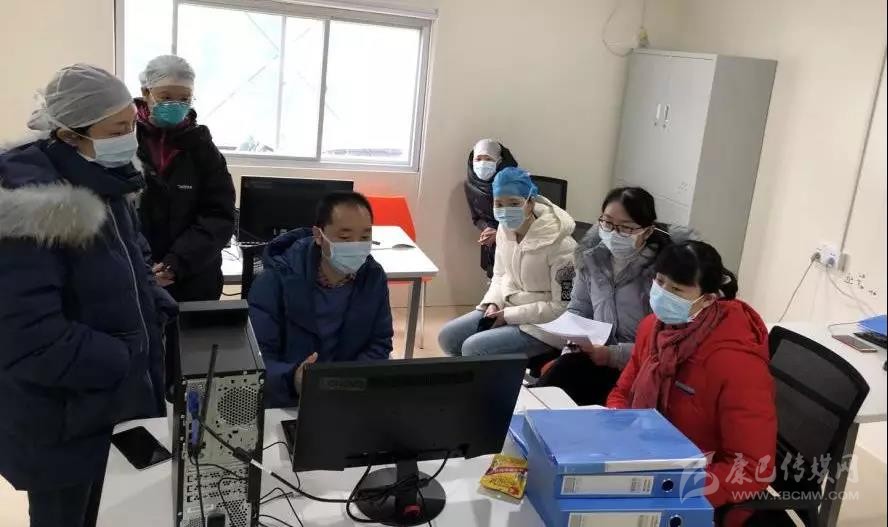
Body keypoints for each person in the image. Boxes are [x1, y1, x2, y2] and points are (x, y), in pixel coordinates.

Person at [0, 64, 175, 527]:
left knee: (112, 509)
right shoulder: (27, 205)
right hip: (61, 419)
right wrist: (123, 357)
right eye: (117, 130)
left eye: (132, 125)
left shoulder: (104, 175)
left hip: (104, 406)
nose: (130, 139)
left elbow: (132, 254)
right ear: (69, 134)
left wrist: (155, 305)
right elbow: (28, 337)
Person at [607, 241, 776, 527]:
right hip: (646, 462)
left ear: (707, 299)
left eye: (676, 290)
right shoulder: (653, 328)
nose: (662, 294)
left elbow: (751, 467)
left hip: (697, 491)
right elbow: (623, 391)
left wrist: (669, 489)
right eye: (660, 282)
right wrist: (616, 427)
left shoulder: (735, 363)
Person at [535, 187, 696, 405]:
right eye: (608, 223)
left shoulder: (662, 275)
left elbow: (664, 342)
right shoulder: (591, 259)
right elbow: (579, 308)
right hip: (595, 355)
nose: (614, 233)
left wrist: (613, 355)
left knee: (568, 382)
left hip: (638, 366)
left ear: (647, 231)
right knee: (561, 374)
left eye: (626, 228)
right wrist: (574, 341)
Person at [248, 191, 393, 408]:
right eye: (345, 238)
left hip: (349, 400)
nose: (356, 246)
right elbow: (257, 355)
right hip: (288, 401)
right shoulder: (276, 279)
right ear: (318, 235)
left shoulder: (373, 277)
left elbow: (380, 343)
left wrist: (350, 383)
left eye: (364, 238)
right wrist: (293, 378)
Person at [439, 167, 576, 358]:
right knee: (448, 337)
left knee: (473, 348)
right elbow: (500, 275)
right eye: (499, 204)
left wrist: (508, 316)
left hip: (545, 326)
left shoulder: (563, 246)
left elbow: (562, 307)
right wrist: (493, 303)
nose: (505, 211)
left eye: (514, 203)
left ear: (530, 202)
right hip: (507, 308)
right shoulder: (504, 230)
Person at [135, 55, 236, 302]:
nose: (175, 105)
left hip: (192, 277)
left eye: (184, 98)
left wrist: (176, 262)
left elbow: (219, 215)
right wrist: (142, 265)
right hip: (134, 275)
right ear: (146, 92)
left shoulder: (203, 149)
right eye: (166, 97)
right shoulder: (122, 141)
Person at [464, 138, 518, 277]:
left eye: (488, 159)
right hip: (492, 245)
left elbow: (522, 219)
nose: (482, 163)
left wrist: (499, 234)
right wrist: (487, 229)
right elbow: (476, 218)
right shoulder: (470, 185)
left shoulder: (514, 183)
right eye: (478, 159)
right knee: (495, 280)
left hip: (516, 243)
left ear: (499, 161)